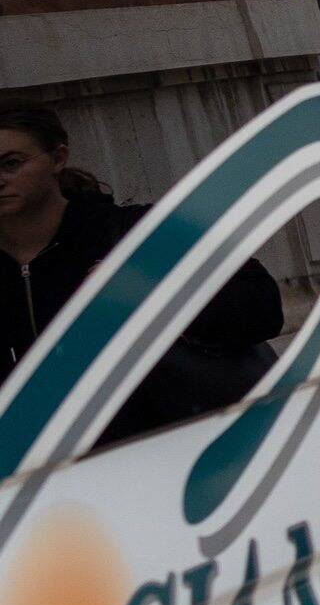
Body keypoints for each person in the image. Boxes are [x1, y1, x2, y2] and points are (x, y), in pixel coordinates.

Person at [1, 100, 282, 442]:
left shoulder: (138, 233)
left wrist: (154, 292)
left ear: (58, 158)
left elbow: (262, 307)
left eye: (11, 164)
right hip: (42, 481)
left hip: (174, 455)